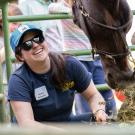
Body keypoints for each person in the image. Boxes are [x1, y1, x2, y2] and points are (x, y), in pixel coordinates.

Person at [8, 24, 107, 129]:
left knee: (99, 122)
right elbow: (27, 125)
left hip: (65, 124)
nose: (35, 45)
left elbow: (94, 95)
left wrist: (99, 110)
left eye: (38, 38)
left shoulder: (70, 64)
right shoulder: (18, 80)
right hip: (36, 131)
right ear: (20, 56)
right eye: (27, 44)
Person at [48, 0, 116, 116]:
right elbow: (51, 8)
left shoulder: (89, 5)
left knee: (106, 94)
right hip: (78, 60)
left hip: (95, 57)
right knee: (85, 99)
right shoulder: (61, 6)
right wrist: (77, 12)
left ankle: (112, 123)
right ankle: (88, 128)